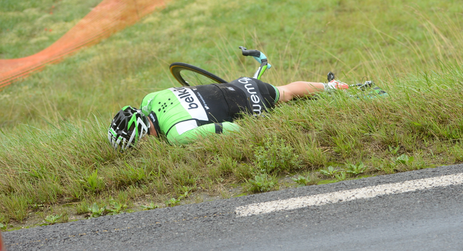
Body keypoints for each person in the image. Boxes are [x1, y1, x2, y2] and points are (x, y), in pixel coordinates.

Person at [107, 77, 349, 149]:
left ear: (142, 138)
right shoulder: (151, 99)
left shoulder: (176, 135)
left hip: (251, 104)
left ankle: (334, 91)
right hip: (241, 84)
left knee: (283, 99)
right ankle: (330, 87)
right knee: (286, 92)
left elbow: (234, 129)